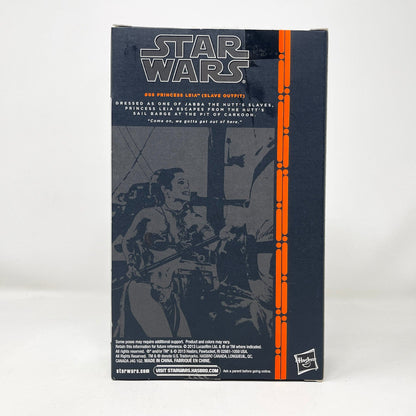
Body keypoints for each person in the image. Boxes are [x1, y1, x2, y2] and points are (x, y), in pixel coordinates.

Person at [116, 168, 218, 338]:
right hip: (144, 289)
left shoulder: (192, 219)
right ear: (166, 190)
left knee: (185, 343)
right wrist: (132, 264)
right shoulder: (148, 215)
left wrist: (220, 235)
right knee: (165, 342)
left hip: (168, 293)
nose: (187, 187)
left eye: (187, 183)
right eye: (181, 183)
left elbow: (213, 244)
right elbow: (127, 241)